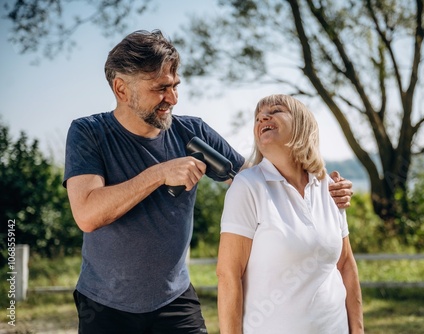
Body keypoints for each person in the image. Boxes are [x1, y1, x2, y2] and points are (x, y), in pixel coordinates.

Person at [64, 30, 354, 333]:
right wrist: (160, 173)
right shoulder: (89, 132)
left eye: (175, 86)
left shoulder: (192, 132)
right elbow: (87, 214)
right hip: (104, 306)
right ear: (121, 89)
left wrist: (319, 191)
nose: (173, 99)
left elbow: (258, 179)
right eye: (161, 89)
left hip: (174, 301)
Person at [216, 94, 364, 334]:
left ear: (303, 126)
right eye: (258, 117)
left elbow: (346, 264)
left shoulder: (329, 187)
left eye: (275, 110)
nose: (263, 117)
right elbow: (228, 275)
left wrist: (357, 330)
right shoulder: (248, 186)